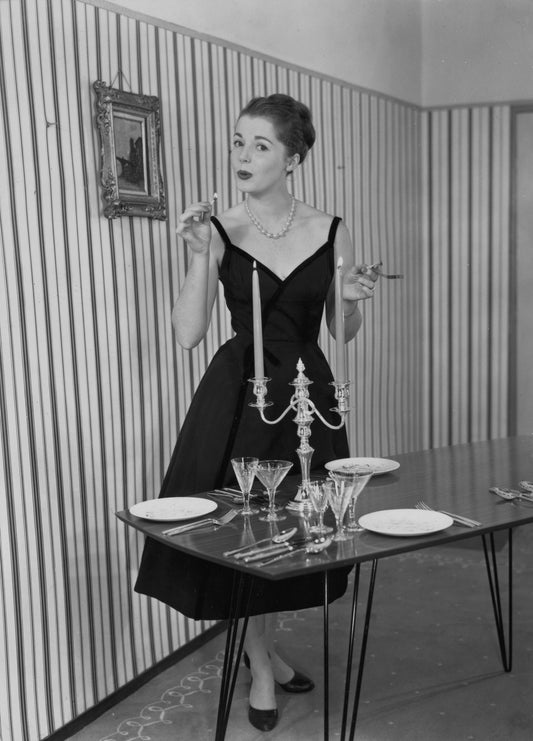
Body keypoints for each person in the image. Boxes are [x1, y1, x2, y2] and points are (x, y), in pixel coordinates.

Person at [135, 93, 379, 732]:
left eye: (261, 145)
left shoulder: (330, 228)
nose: (243, 156)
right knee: (241, 533)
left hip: (306, 395)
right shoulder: (219, 227)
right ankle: (262, 666)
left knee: (292, 534)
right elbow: (188, 333)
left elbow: (341, 331)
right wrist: (197, 256)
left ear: (293, 158)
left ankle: (262, 647)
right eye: (238, 142)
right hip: (238, 393)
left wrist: (351, 300)